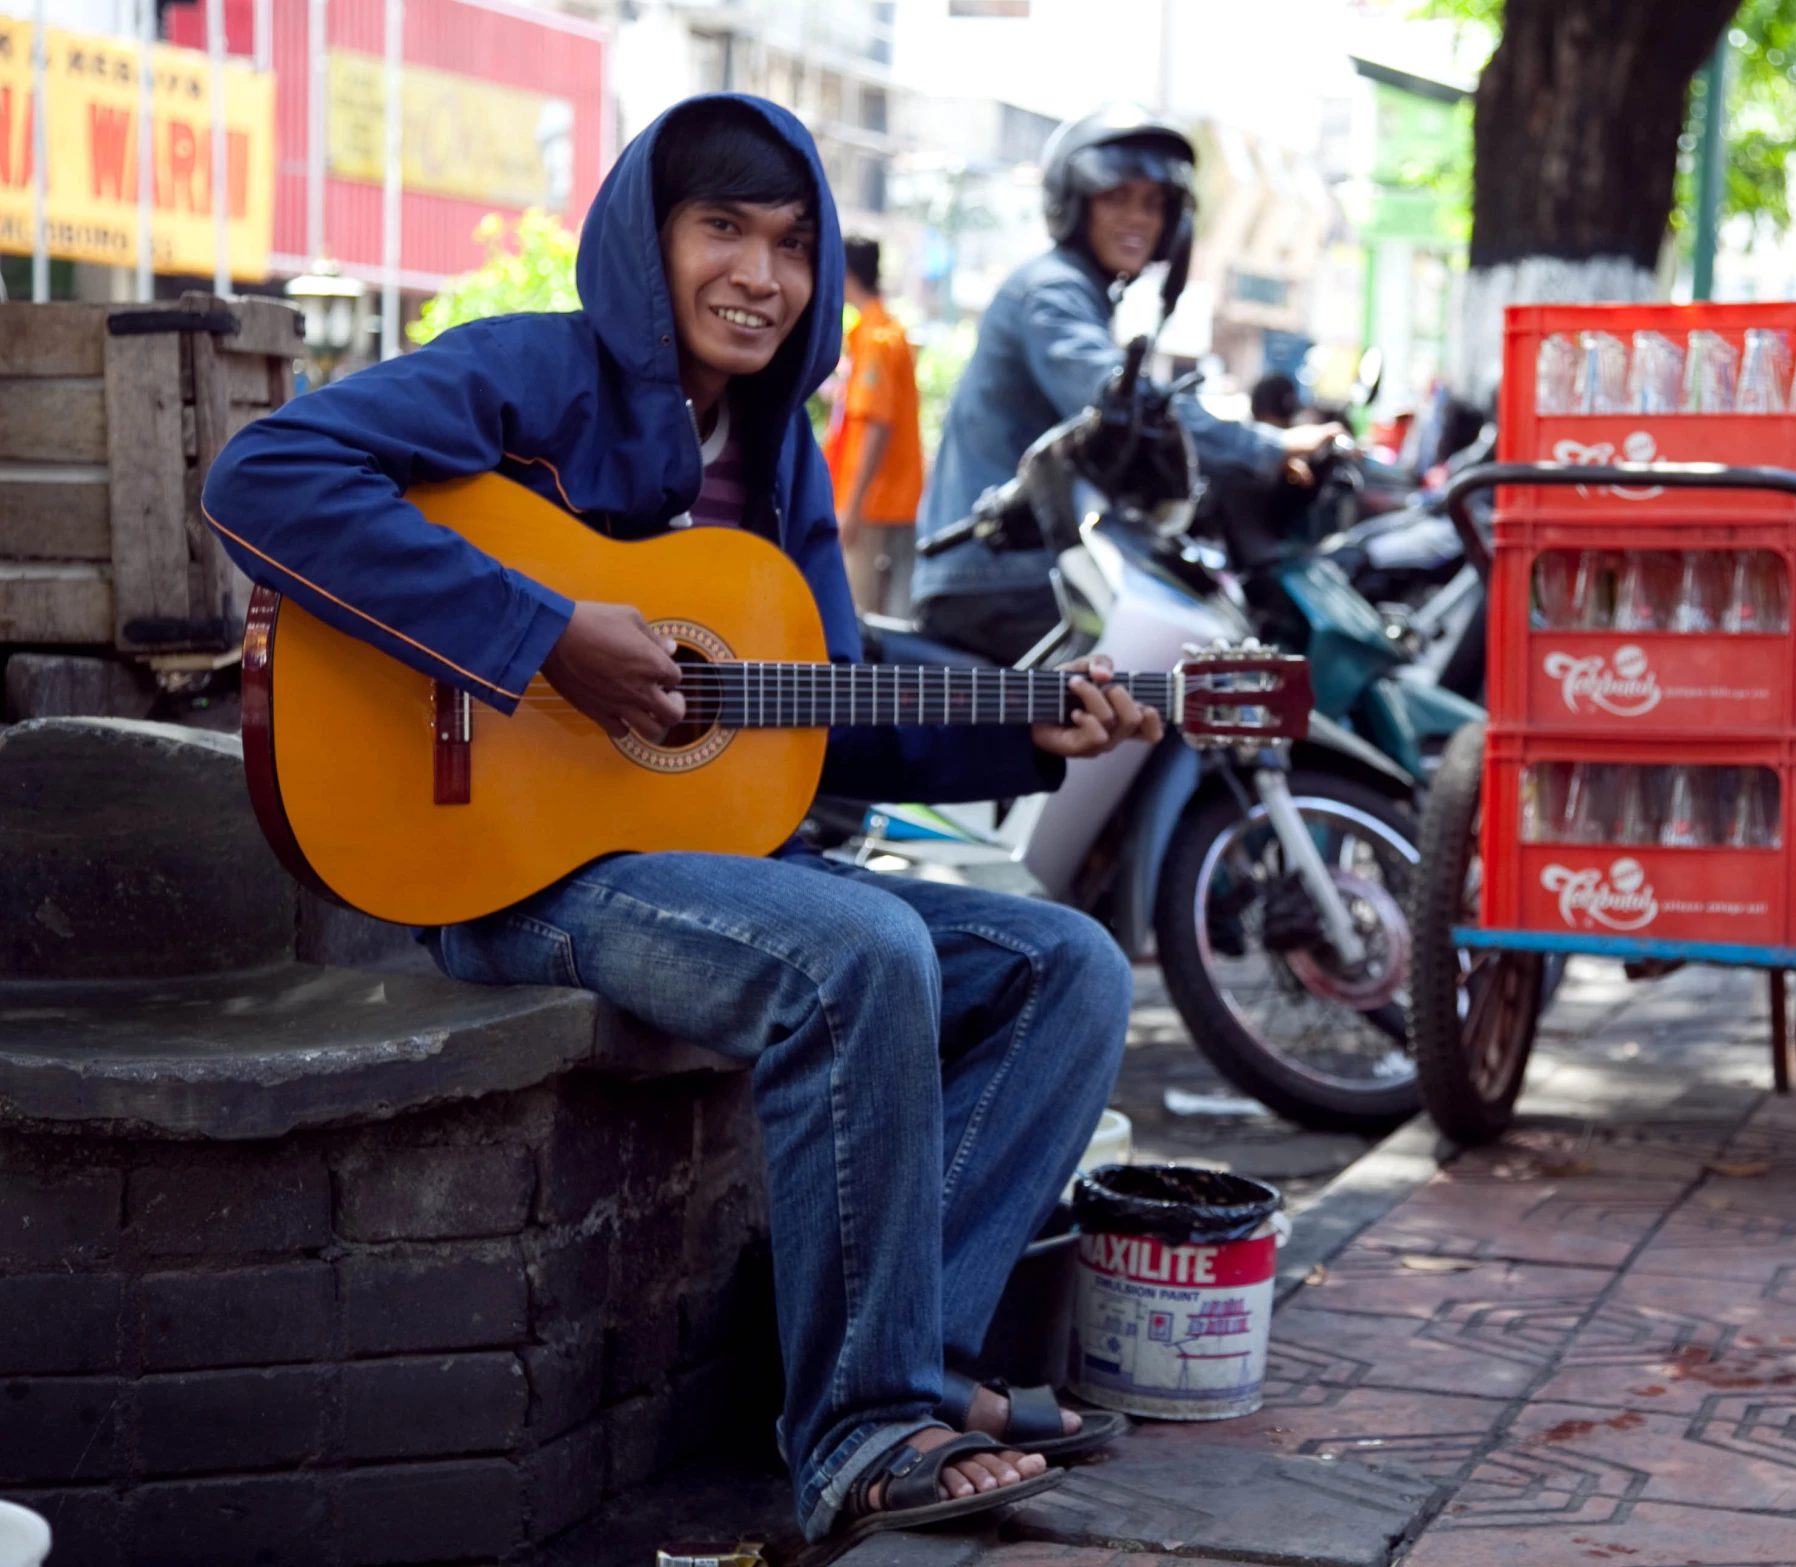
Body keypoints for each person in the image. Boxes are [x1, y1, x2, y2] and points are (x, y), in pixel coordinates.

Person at [199, 96, 1157, 1545]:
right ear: (648, 243)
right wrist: (540, 633)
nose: (758, 277)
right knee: (861, 948)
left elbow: (814, 702)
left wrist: (1015, 723)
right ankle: (856, 1432)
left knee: (1068, 964)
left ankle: (913, 1358)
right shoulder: (534, 371)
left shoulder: (781, 455)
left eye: (789, 243)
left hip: (709, 874)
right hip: (519, 869)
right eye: (722, 229)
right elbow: (261, 475)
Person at [913, 103, 1343, 664]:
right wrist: (1269, 447)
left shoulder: (1080, 296)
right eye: (1116, 198)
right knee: (1168, 680)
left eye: (1153, 203)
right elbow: (1129, 409)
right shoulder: (1051, 293)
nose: (1137, 219)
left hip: (1021, 569)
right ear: (1074, 203)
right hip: (997, 577)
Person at [828, 236, 926, 618]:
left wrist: (852, 507)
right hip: (885, 501)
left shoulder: (877, 340)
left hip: (873, 505)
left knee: (860, 616)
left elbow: (877, 424)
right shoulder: (884, 331)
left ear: (845, 272)